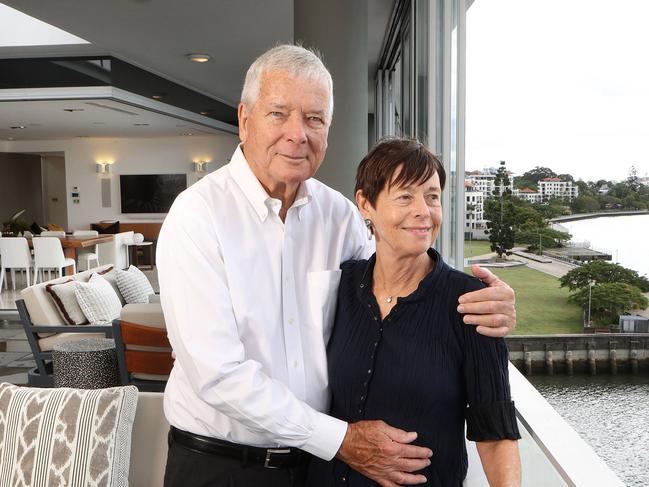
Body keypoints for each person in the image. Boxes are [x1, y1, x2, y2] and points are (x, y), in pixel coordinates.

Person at [157, 44, 517, 487]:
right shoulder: (197, 215)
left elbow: (393, 288)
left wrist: (482, 300)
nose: (297, 134)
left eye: (314, 119)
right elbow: (217, 373)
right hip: (223, 467)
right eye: (278, 114)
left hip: (318, 471)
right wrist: (339, 439)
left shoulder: (340, 215)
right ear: (244, 118)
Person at [306, 138, 521, 487]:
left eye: (432, 197)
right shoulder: (342, 286)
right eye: (405, 196)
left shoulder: (471, 303)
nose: (424, 211)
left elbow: (495, 432)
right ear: (365, 203)